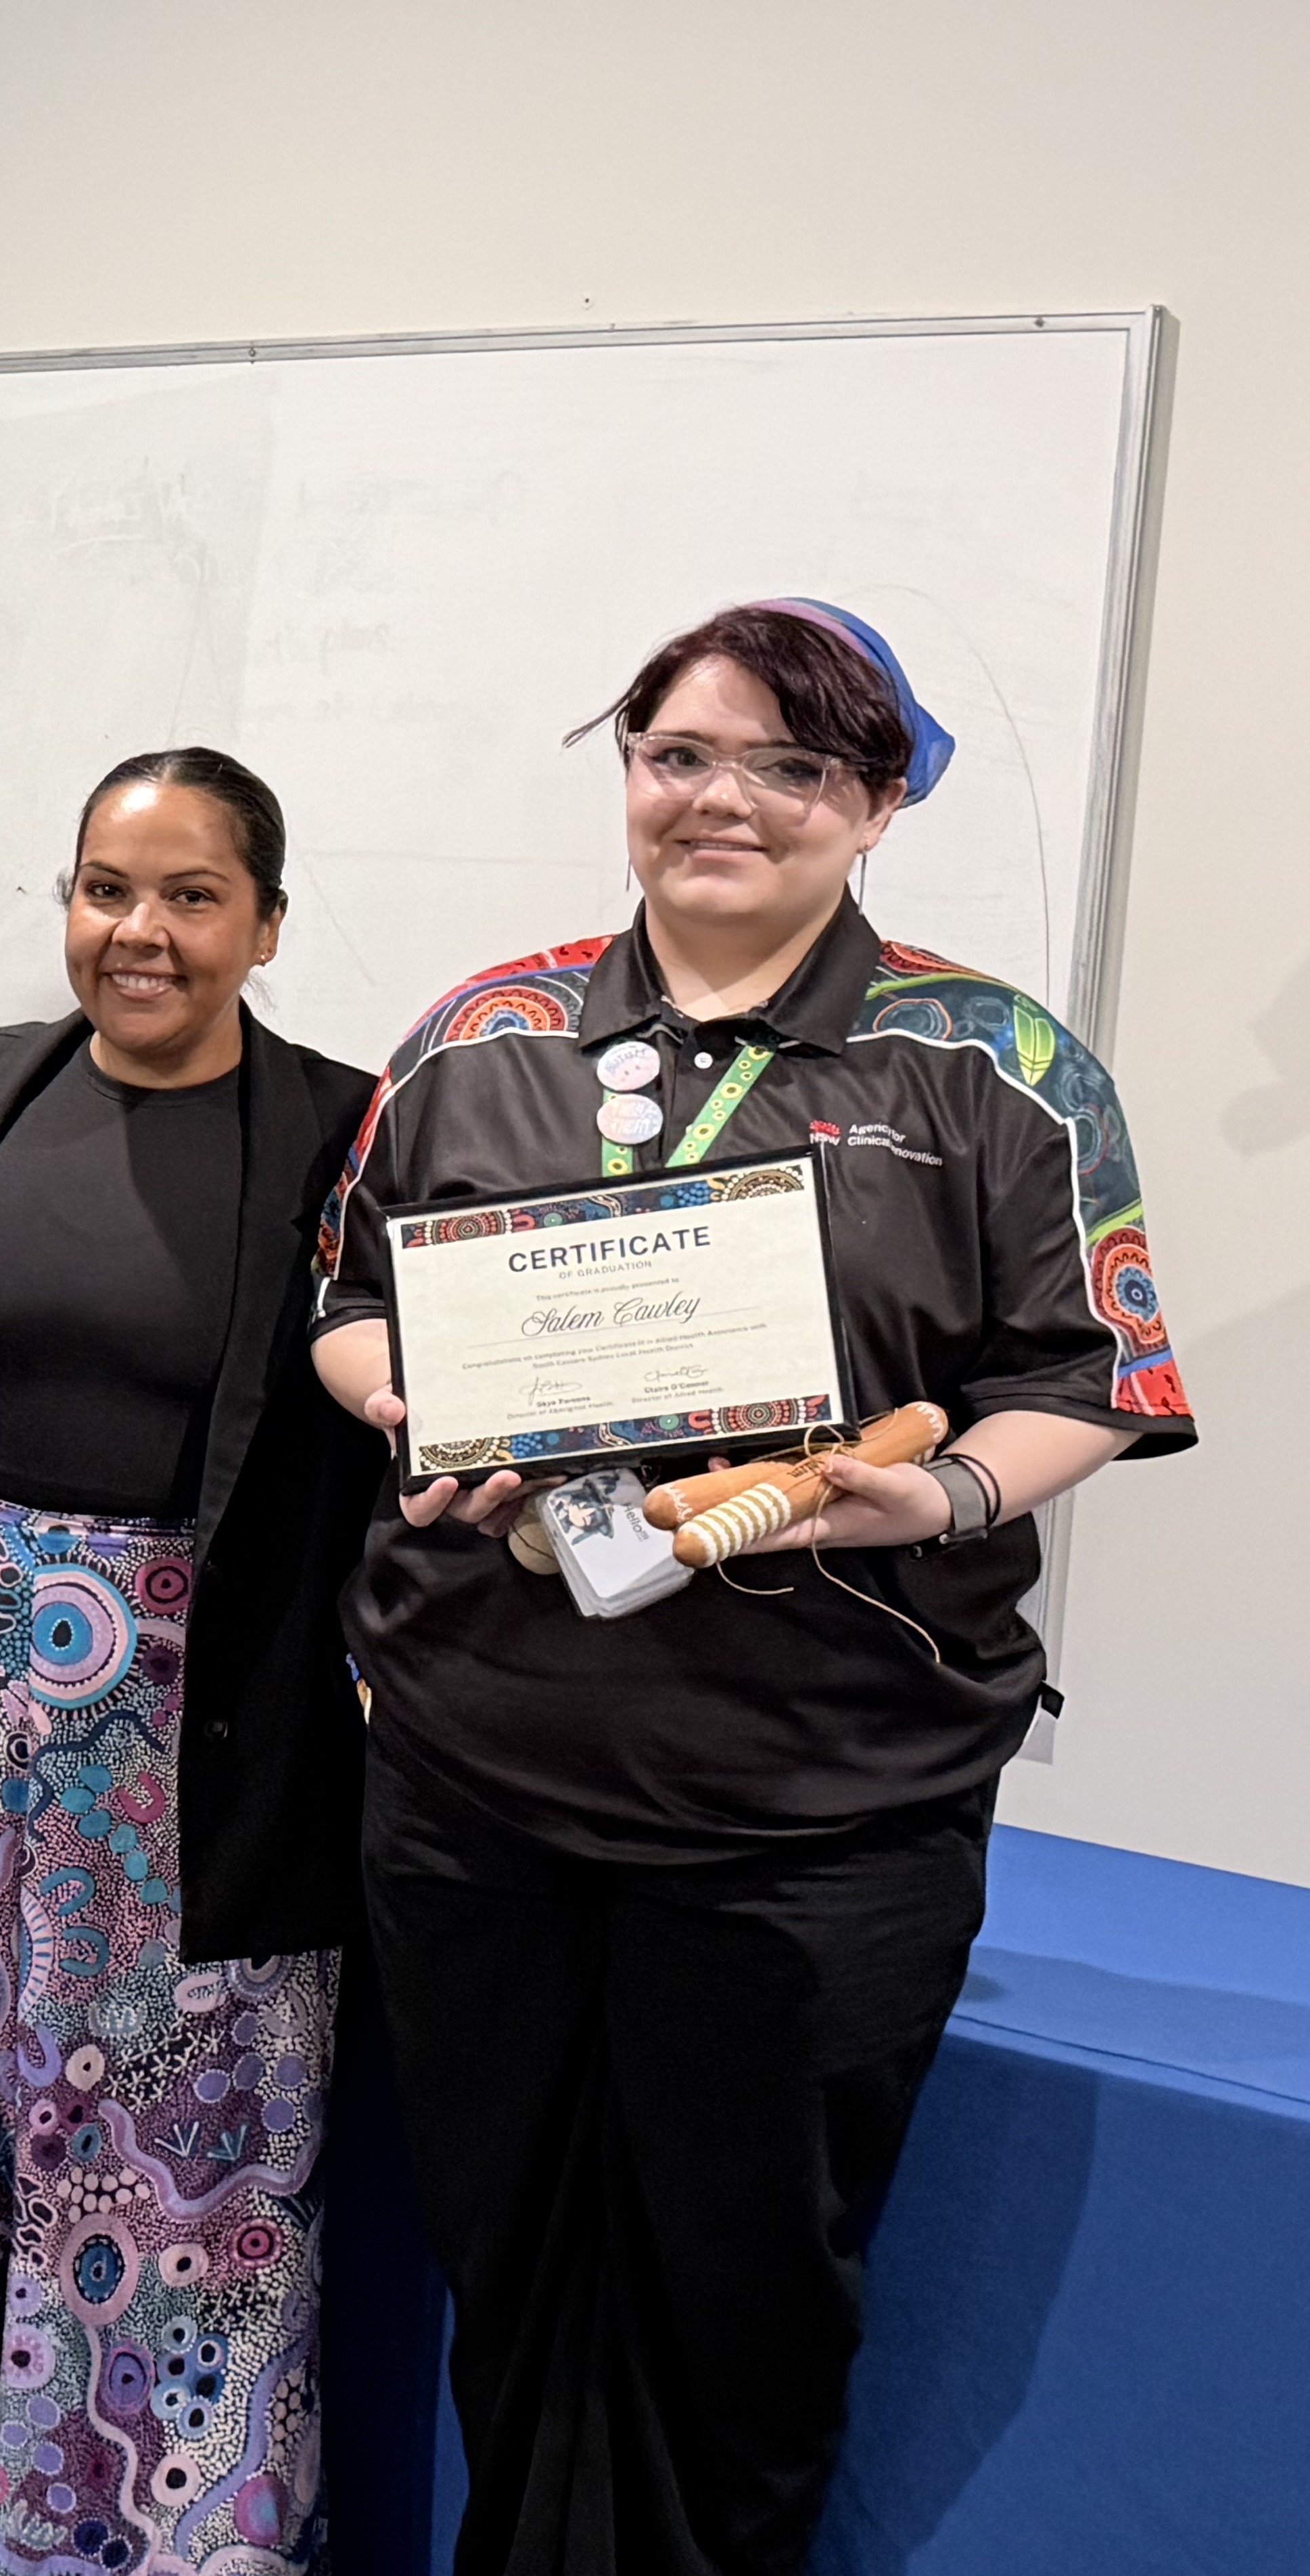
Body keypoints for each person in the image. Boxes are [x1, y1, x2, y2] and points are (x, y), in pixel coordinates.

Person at [309, 601, 1195, 2576]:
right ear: (627, 774)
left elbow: (1096, 1380)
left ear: (878, 803)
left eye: (791, 767)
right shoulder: (483, 1035)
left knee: (749, 2318)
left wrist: (941, 1493)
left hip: (821, 1809)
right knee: (513, 2274)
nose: (723, 800)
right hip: (478, 1788)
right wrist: (415, 1399)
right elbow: (346, 1306)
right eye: (678, 753)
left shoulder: (994, 1067)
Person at [0, 748, 382, 2573]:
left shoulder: (348, 1131)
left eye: (191, 896)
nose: (139, 932)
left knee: (176, 2194)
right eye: (104, 890)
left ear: (267, 924)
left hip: (202, 1727)